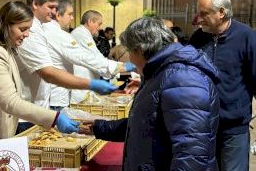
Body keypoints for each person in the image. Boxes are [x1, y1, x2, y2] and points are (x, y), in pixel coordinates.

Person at [80, 16, 220, 170]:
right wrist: (100, 127)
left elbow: (191, 152)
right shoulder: (162, 72)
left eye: (130, 52)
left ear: (140, 50)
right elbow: (146, 123)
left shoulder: (183, 77)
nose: (131, 60)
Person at [0, 1, 79, 171]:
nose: (27, 34)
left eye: (28, 29)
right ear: (5, 25)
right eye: (22, 29)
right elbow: (10, 101)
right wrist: (55, 118)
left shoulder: (4, 48)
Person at [16, 0, 118, 133]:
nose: (54, 12)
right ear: (35, 4)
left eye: (56, 8)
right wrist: (91, 84)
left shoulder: (41, 28)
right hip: (27, 111)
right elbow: (48, 72)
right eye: (50, 7)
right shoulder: (30, 30)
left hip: (40, 107)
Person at [188, 0, 256, 171]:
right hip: (201, 125)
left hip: (234, 128)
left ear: (221, 12)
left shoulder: (247, 37)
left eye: (204, 14)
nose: (198, 19)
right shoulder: (197, 38)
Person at [42, 0, 131, 110]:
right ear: (58, 15)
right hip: (58, 95)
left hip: (60, 92)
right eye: (69, 14)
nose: (72, 18)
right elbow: (85, 58)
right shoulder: (64, 34)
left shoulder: (58, 32)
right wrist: (120, 67)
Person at [70, 10, 135, 103]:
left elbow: (97, 58)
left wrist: (118, 67)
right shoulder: (80, 34)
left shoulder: (85, 34)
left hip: (87, 84)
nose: (100, 28)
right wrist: (123, 66)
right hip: (82, 86)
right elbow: (96, 60)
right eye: (99, 24)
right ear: (90, 22)